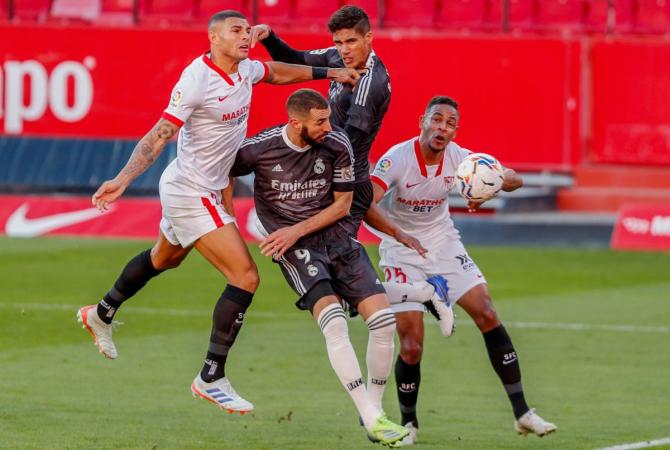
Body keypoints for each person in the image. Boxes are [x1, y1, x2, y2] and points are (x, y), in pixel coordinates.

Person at [76, 10, 363, 415]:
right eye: (236, 30)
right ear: (214, 37)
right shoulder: (196, 80)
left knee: (164, 259)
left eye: (248, 30)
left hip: (206, 185)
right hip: (190, 191)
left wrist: (328, 75)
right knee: (245, 276)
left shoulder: (244, 69)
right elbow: (160, 133)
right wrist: (123, 179)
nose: (246, 36)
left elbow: (276, 73)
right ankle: (211, 376)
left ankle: (100, 312)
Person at [368, 96, 557, 445]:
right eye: (437, 119)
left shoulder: (462, 160)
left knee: (487, 312)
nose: (442, 127)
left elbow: (513, 178)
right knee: (411, 346)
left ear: (455, 131)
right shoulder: (396, 159)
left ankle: (522, 413)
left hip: (443, 245)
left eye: (450, 123)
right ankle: (408, 423)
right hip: (399, 252)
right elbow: (366, 203)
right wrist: (399, 234)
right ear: (421, 121)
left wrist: (494, 182)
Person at [229, 88, 409, 446]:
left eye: (327, 118)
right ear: (296, 123)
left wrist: (295, 228)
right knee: (335, 323)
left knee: (385, 322)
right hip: (297, 249)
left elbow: (343, 205)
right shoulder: (259, 149)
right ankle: (374, 417)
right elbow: (221, 172)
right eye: (320, 121)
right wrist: (228, 220)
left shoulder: (336, 143)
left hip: (338, 240)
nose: (328, 126)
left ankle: (372, 409)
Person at [252, 5, 427, 261]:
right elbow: (295, 60)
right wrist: (269, 37)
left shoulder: (371, 83)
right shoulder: (338, 58)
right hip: (331, 175)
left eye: (351, 41)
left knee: (340, 264)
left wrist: (304, 171)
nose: (344, 49)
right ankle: (416, 295)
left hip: (349, 184)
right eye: (339, 42)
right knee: (332, 265)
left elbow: (348, 142)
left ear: (368, 38)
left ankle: (415, 294)